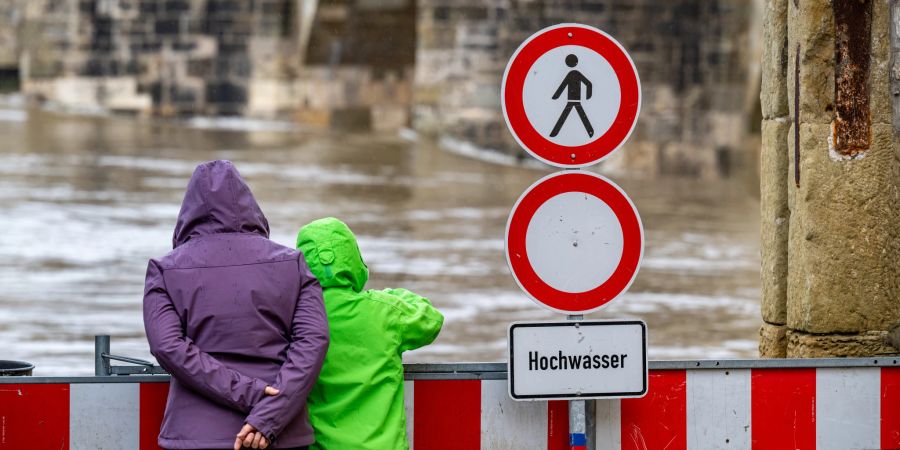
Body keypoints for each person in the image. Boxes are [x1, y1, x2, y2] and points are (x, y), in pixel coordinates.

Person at [143, 160, 329, 450]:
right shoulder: (292, 264)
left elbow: (168, 348)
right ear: (249, 205)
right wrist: (270, 413)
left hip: (197, 436)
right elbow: (313, 342)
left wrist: (251, 393)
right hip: (280, 436)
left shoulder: (165, 270)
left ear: (187, 212)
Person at [296, 218, 444, 450]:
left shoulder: (294, 317)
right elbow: (431, 321)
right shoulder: (384, 311)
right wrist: (390, 295)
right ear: (354, 259)